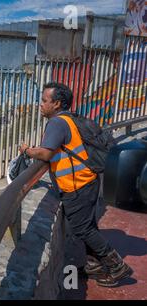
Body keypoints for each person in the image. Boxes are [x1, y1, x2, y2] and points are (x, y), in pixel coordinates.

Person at [19, 82, 133, 287]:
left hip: (77, 186)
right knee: (87, 226)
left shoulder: (56, 123)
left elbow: (46, 153)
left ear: (57, 104)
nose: (41, 104)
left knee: (83, 230)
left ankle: (117, 266)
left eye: (45, 100)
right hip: (88, 181)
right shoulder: (69, 119)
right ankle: (93, 265)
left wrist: (27, 150)